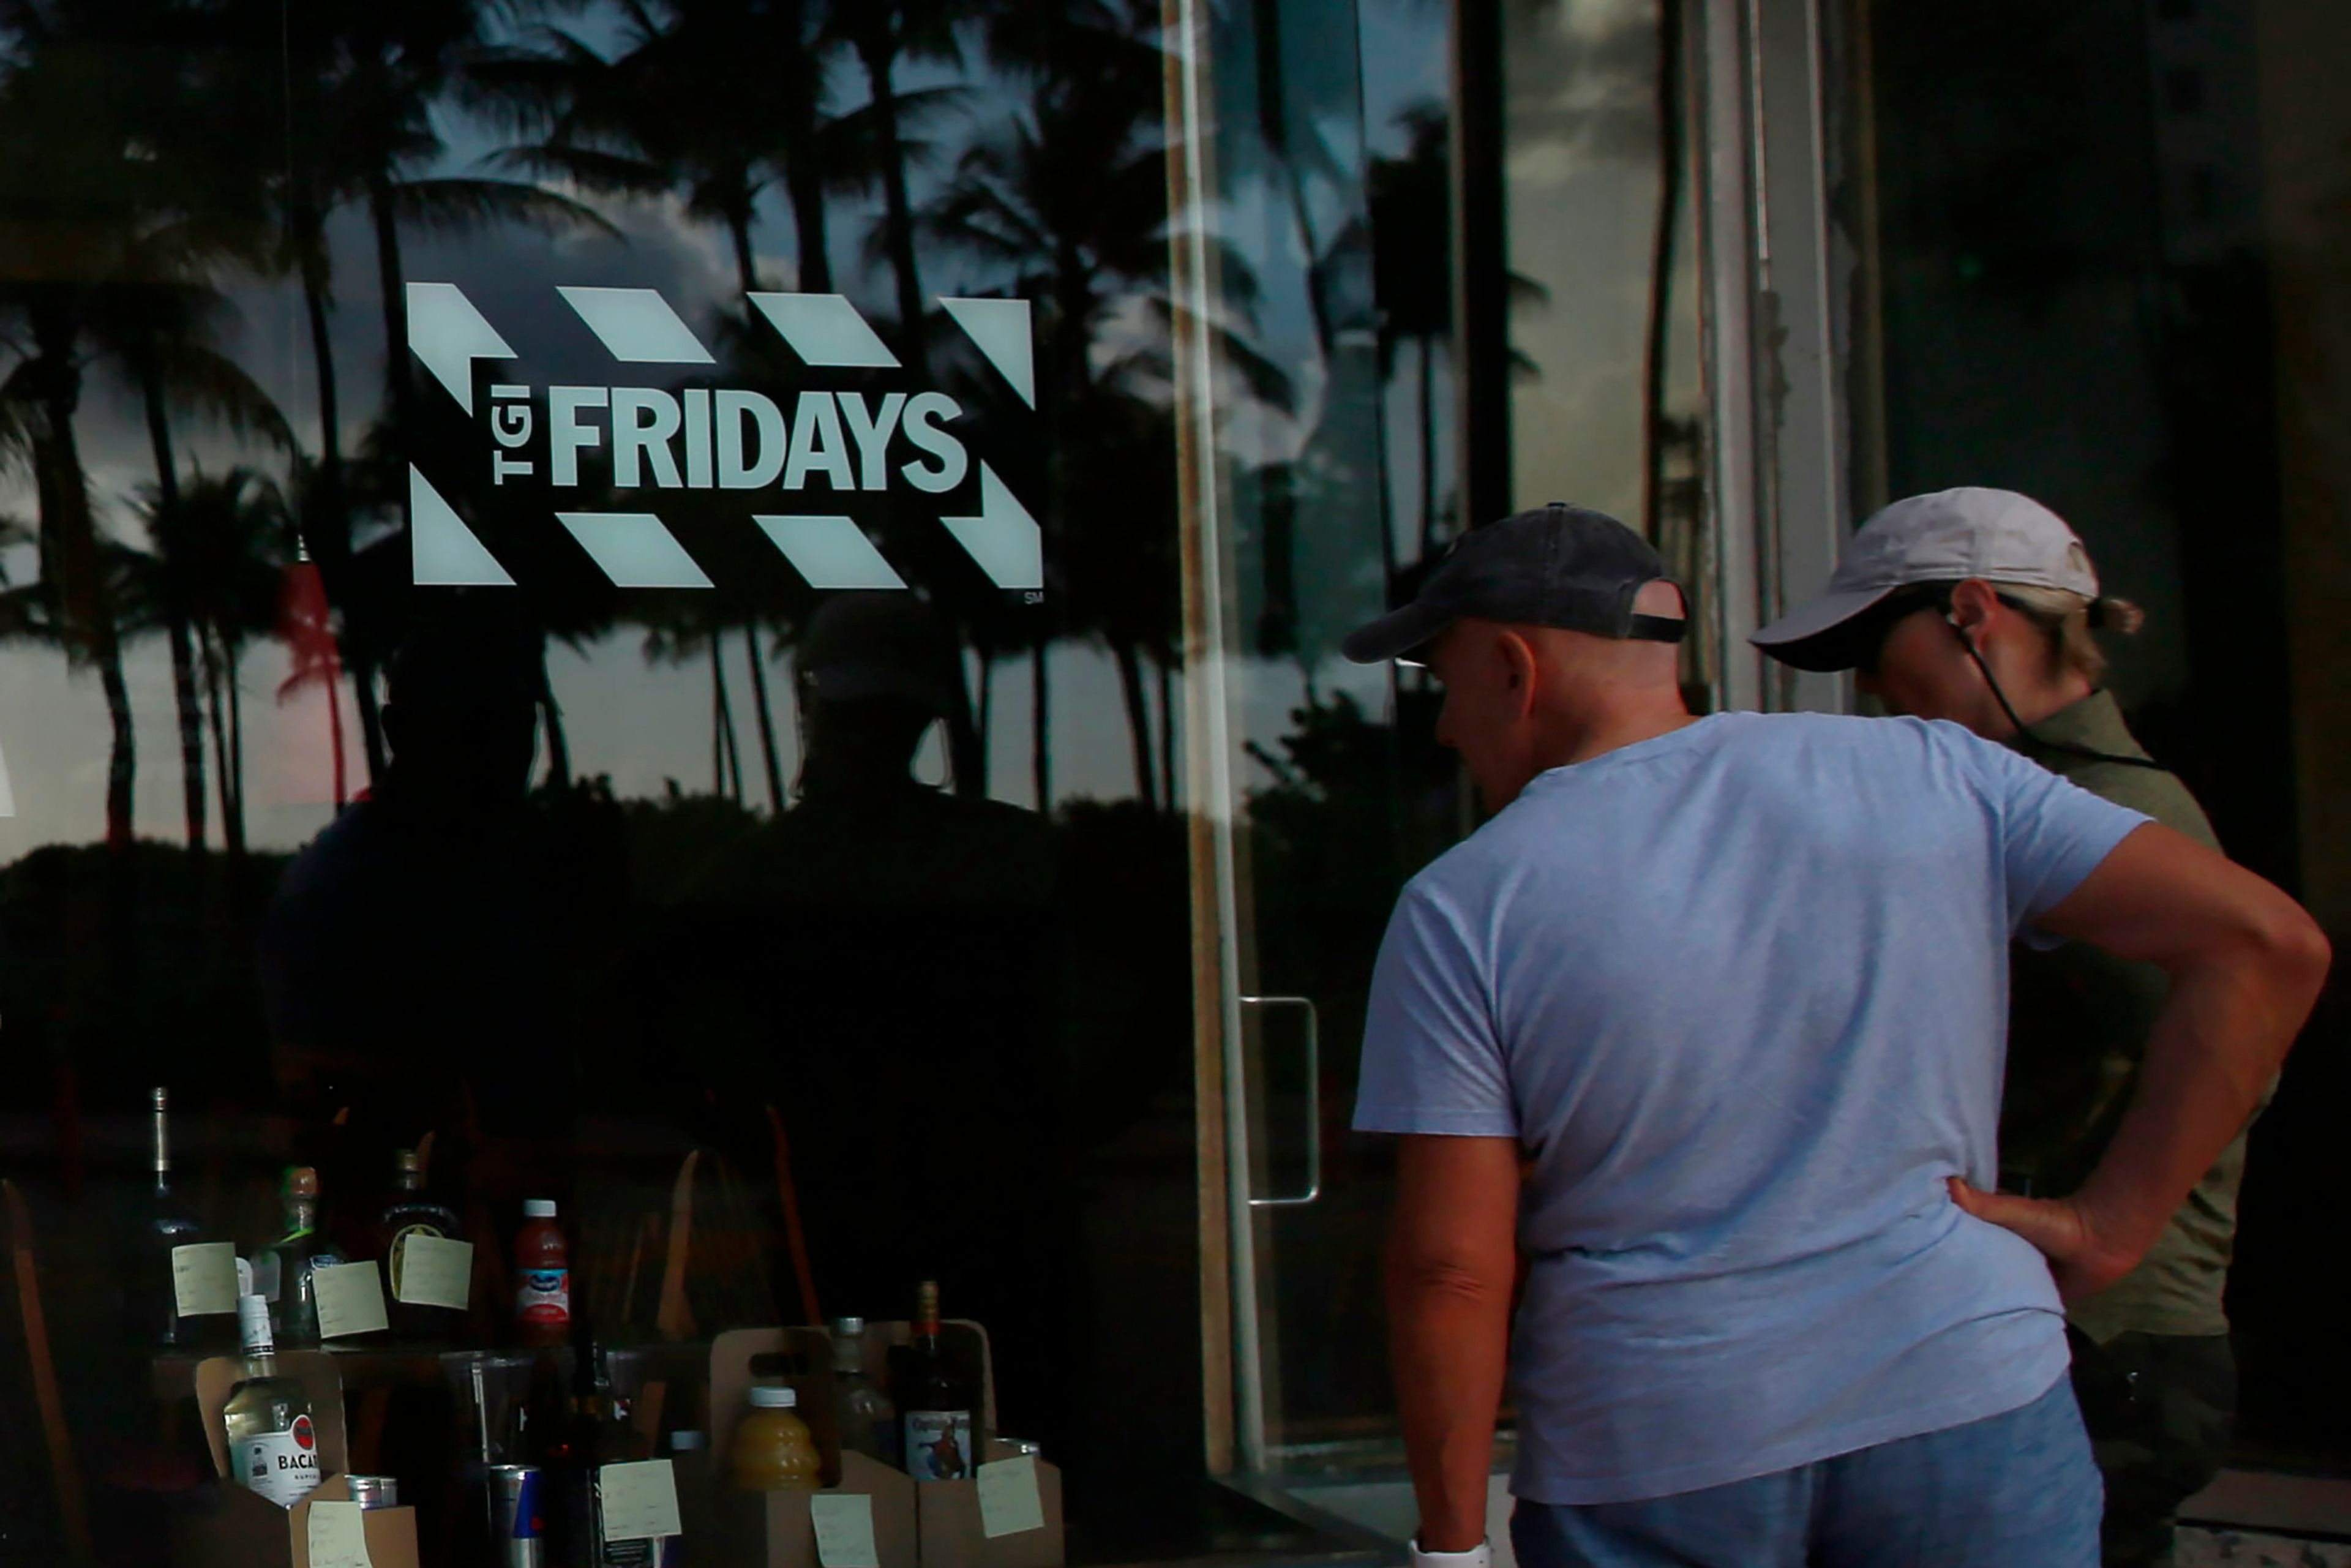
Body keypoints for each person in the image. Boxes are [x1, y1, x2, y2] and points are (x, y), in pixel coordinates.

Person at [1343, 502, 2327, 1568]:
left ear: (1510, 666)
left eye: (1441, 686)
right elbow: (2267, 945)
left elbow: (1451, 1268)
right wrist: (2112, 1226)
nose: (1444, 729)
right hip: (1967, 1396)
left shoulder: (1462, 902)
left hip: (1661, 1446)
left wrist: (1451, 1547)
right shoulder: (1941, 772)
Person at [1752, 486, 2254, 1566]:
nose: (1872, 687)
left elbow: (2249, 1017)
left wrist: (2102, 1224)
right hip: (2069, 1337)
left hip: (2106, 1346)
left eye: (1877, 646)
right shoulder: (2012, 795)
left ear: (1972, 612)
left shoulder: (2106, 815)